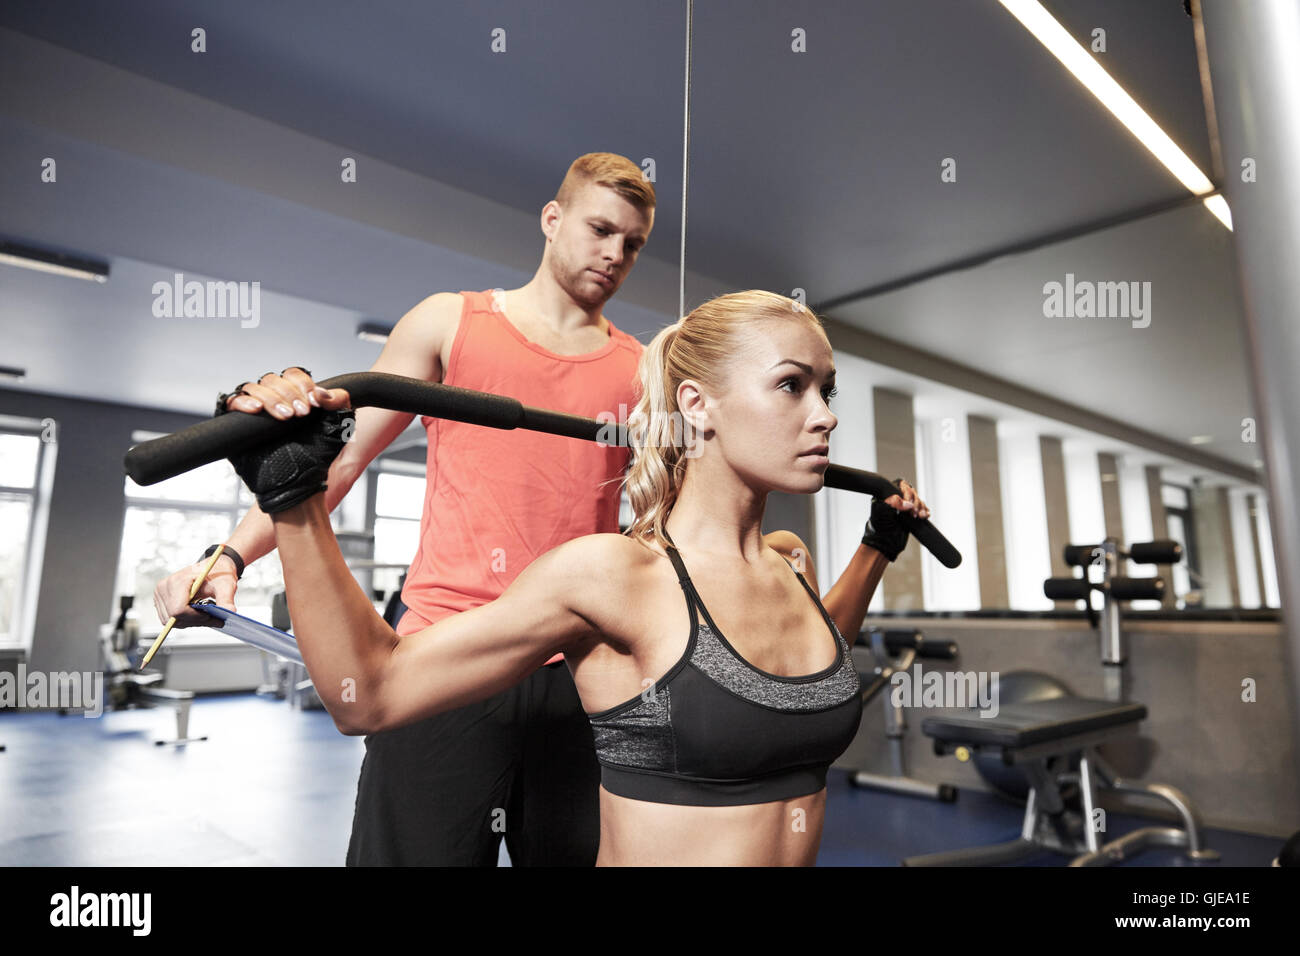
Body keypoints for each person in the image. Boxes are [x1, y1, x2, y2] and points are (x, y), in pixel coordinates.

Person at [219, 289, 932, 866]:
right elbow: (368, 695)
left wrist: (875, 548)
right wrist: (294, 502)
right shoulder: (614, 577)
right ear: (696, 407)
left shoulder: (787, 567)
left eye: (826, 389)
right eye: (792, 386)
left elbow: (807, 667)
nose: (827, 416)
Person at [153, 152, 656, 865]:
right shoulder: (452, 323)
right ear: (552, 219)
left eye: (633, 243)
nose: (615, 253)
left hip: (578, 670)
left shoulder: (641, 372)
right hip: (445, 656)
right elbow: (338, 461)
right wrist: (231, 555)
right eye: (601, 228)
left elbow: (658, 520)